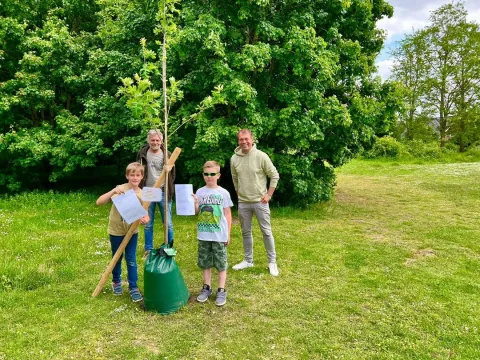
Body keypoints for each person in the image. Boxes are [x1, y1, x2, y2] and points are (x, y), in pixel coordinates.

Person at [96, 162, 150, 302]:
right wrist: (113, 192)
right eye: (132, 175)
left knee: (131, 259)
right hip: (116, 230)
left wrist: (145, 219)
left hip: (132, 232)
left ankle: (133, 287)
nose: (135, 177)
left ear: (142, 177)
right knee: (117, 258)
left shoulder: (143, 194)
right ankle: (116, 282)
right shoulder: (120, 189)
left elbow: (146, 215)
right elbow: (99, 202)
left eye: (138, 175)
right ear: (127, 175)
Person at [231, 129, 280, 276]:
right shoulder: (234, 158)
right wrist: (238, 193)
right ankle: (248, 260)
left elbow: (274, 175)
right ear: (238, 141)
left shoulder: (261, 156)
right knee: (246, 233)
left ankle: (272, 262)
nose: (244, 142)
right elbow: (235, 178)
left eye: (246, 139)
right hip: (243, 203)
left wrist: (269, 195)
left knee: (266, 232)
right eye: (241, 139)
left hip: (260, 202)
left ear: (252, 139)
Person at [193, 161, 233, 306]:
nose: (209, 177)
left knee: (221, 263)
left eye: (212, 174)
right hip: (204, 235)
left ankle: (221, 290)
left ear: (218, 175)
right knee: (205, 262)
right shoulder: (200, 192)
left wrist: (228, 234)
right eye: (206, 174)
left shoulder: (223, 193)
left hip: (219, 235)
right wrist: (196, 203)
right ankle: (206, 287)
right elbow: (196, 212)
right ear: (203, 175)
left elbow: (228, 214)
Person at [137, 129, 175, 255]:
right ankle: (148, 249)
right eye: (152, 140)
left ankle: (169, 247)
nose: (155, 142)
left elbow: (173, 175)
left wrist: (168, 169)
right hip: (148, 191)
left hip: (164, 190)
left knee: (168, 223)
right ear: (148, 140)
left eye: (157, 140)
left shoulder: (167, 154)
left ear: (162, 141)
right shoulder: (142, 153)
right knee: (147, 223)